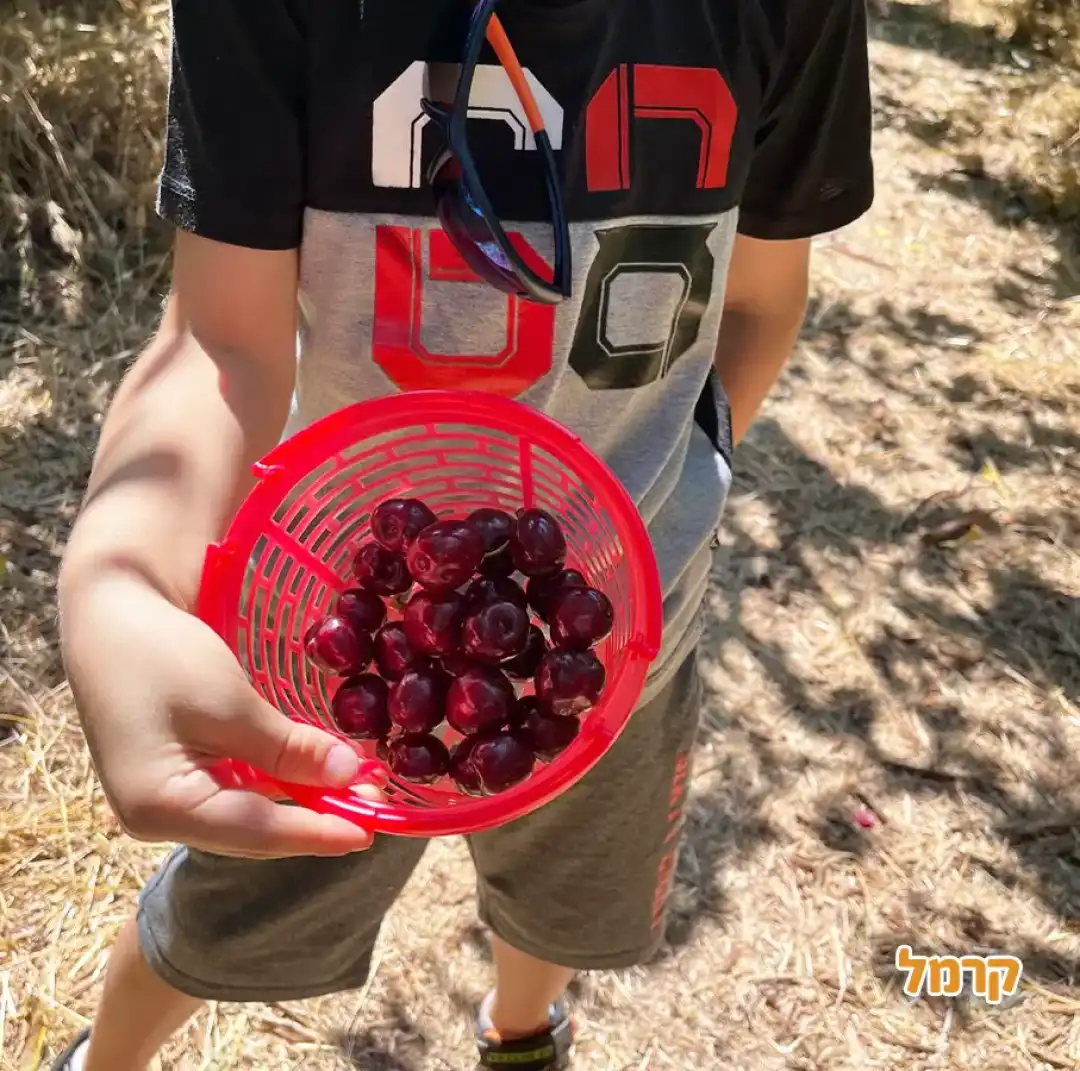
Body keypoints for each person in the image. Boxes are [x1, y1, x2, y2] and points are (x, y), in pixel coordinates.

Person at [52, 0, 874, 1068]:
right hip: (331, 636)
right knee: (225, 915)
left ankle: (522, 1030)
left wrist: (673, 483)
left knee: (564, 896)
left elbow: (763, 294)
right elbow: (222, 339)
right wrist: (113, 577)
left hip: (640, 626)